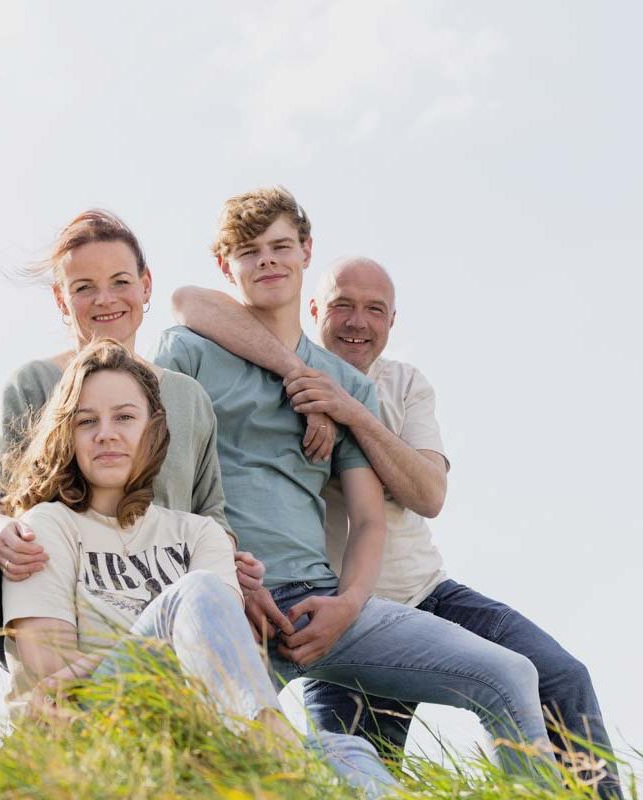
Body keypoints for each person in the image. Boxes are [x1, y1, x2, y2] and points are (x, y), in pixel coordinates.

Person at [172, 255, 620, 796]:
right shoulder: (261, 364)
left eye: (374, 310)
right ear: (313, 309)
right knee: (359, 768)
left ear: (392, 322)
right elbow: (189, 300)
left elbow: (429, 494)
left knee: (560, 676)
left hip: (427, 594)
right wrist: (299, 376)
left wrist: (351, 412)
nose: (357, 322)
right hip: (327, 610)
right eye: (342, 306)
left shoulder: (402, 384)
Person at [0, 338, 397, 798]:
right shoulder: (45, 526)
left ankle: (278, 750)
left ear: (154, 430)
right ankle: (279, 749)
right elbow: (54, 678)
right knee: (199, 592)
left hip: (191, 730)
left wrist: (174, 653)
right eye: (87, 421)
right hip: (89, 729)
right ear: (67, 434)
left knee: (348, 751)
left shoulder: (200, 533)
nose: (106, 433)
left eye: (125, 417)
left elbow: (221, 652)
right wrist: (173, 640)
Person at [0, 209, 265, 708]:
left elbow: (209, 509)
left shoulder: (188, 400)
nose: (105, 299)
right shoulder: (31, 384)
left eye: (120, 281)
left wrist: (227, 563)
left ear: (146, 286)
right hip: (53, 586)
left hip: (154, 591)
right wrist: (3, 533)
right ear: (62, 299)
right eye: (83, 287)